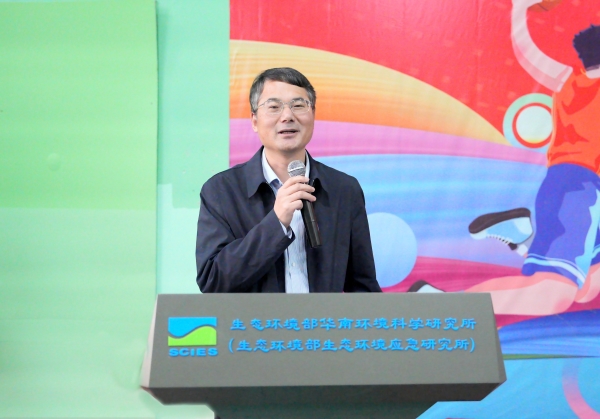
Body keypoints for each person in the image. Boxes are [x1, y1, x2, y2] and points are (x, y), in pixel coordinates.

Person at [415, 0, 600, 315]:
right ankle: (440, 304)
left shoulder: (568, 79)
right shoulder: (574, 82)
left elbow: (528, 53)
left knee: (587, 288)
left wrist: (519, 11)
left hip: (580, 184)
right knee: (552, 293)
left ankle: (523, 237)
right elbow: (529, 55)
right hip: (579, 184)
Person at [195, 67, 381, 294]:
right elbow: (212, 280)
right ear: (254, 120)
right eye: (273, 107)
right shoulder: (221, 191)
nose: (287, 116)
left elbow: (363, 287)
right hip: (256, 319)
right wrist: (276, 223)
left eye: (298, 105)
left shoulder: (344, 190)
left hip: (324, 318)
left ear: (313, 114)